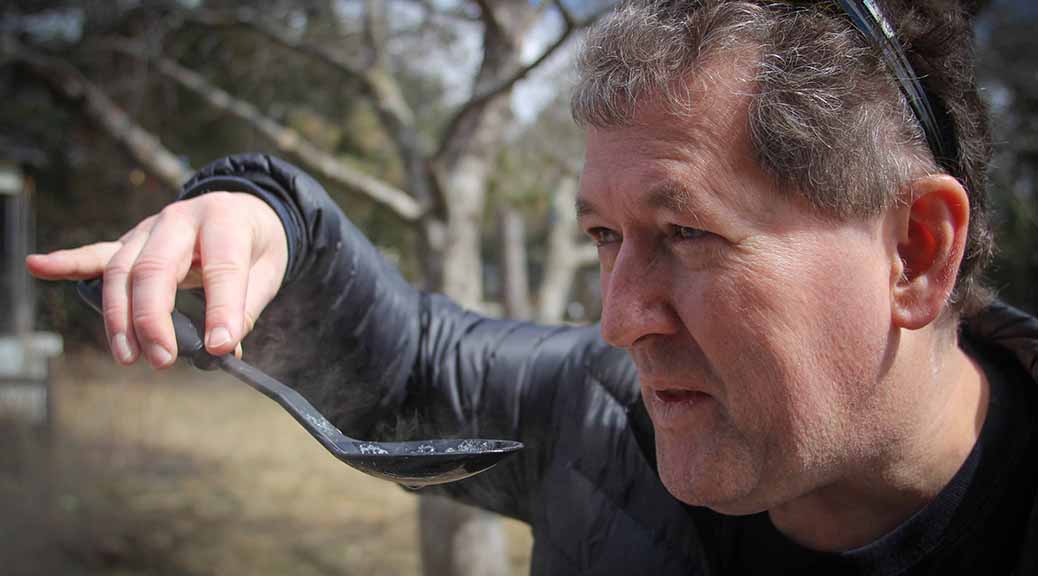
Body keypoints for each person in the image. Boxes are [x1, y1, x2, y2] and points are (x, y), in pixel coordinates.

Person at [26, 0, 1038, 574]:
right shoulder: (597, 415)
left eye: (685, 232)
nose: (619, 320)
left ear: (914, 249)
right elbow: (408, 363)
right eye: (606, 237)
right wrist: (264, 217)